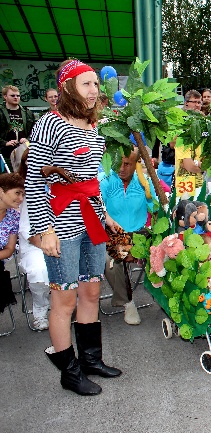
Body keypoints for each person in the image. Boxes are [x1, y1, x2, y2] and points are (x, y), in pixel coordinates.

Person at [26, 59, 122, 396]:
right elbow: (36, 179)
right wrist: (44, 229)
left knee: (92, 291)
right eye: (86, 84)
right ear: (67, 87)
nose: (94, 90)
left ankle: (91, 360)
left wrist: (105, 213)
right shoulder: (49, 124)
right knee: (63, 299)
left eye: (96, 84)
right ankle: (70, 373)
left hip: (91, 217)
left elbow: (91, 178)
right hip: (60, 221)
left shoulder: (92, 124)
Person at [101, 146, 155, 325]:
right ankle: (128, 302)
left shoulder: (144, 182)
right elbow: (97, 211)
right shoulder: (106, 180)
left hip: (140, 233)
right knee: (112, 259)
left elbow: (156, 209)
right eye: (119, 163)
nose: (121, 168)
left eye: (126, 164)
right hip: (114, 234)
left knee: (166, 248)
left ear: (136, 164)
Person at [17, 150, 50, 330]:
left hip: (61, 240)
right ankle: (40, 310)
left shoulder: (57, 185)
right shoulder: (23, 191)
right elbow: (25, 228)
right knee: (39, 269)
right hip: (34, 244)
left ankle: (69, 306)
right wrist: (46, 245)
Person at [0, 173, 24, 315]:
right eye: (17, 193)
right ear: (1, 191)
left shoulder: (14, 216)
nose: (20, 199)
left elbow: (9, 249)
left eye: (23, 194)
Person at [175, 90, 205, 195]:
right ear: (186, 102)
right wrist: (205, 166)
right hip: (185, 180)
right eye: (194, 102)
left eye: (199, 102)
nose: (197, 105)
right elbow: (188, 165)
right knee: (187, 209)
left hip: (200, 181)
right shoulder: (180, 122)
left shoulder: (204, 121)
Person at [1, 85, 35, 165]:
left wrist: (27, 139)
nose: (16, 97)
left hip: (23, 151)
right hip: (4, 152)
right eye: (12, 95)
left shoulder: (27, 113)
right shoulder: (1, 112)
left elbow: (34, 131)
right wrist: (5, 143)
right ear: (5, 96)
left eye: (18, 95)